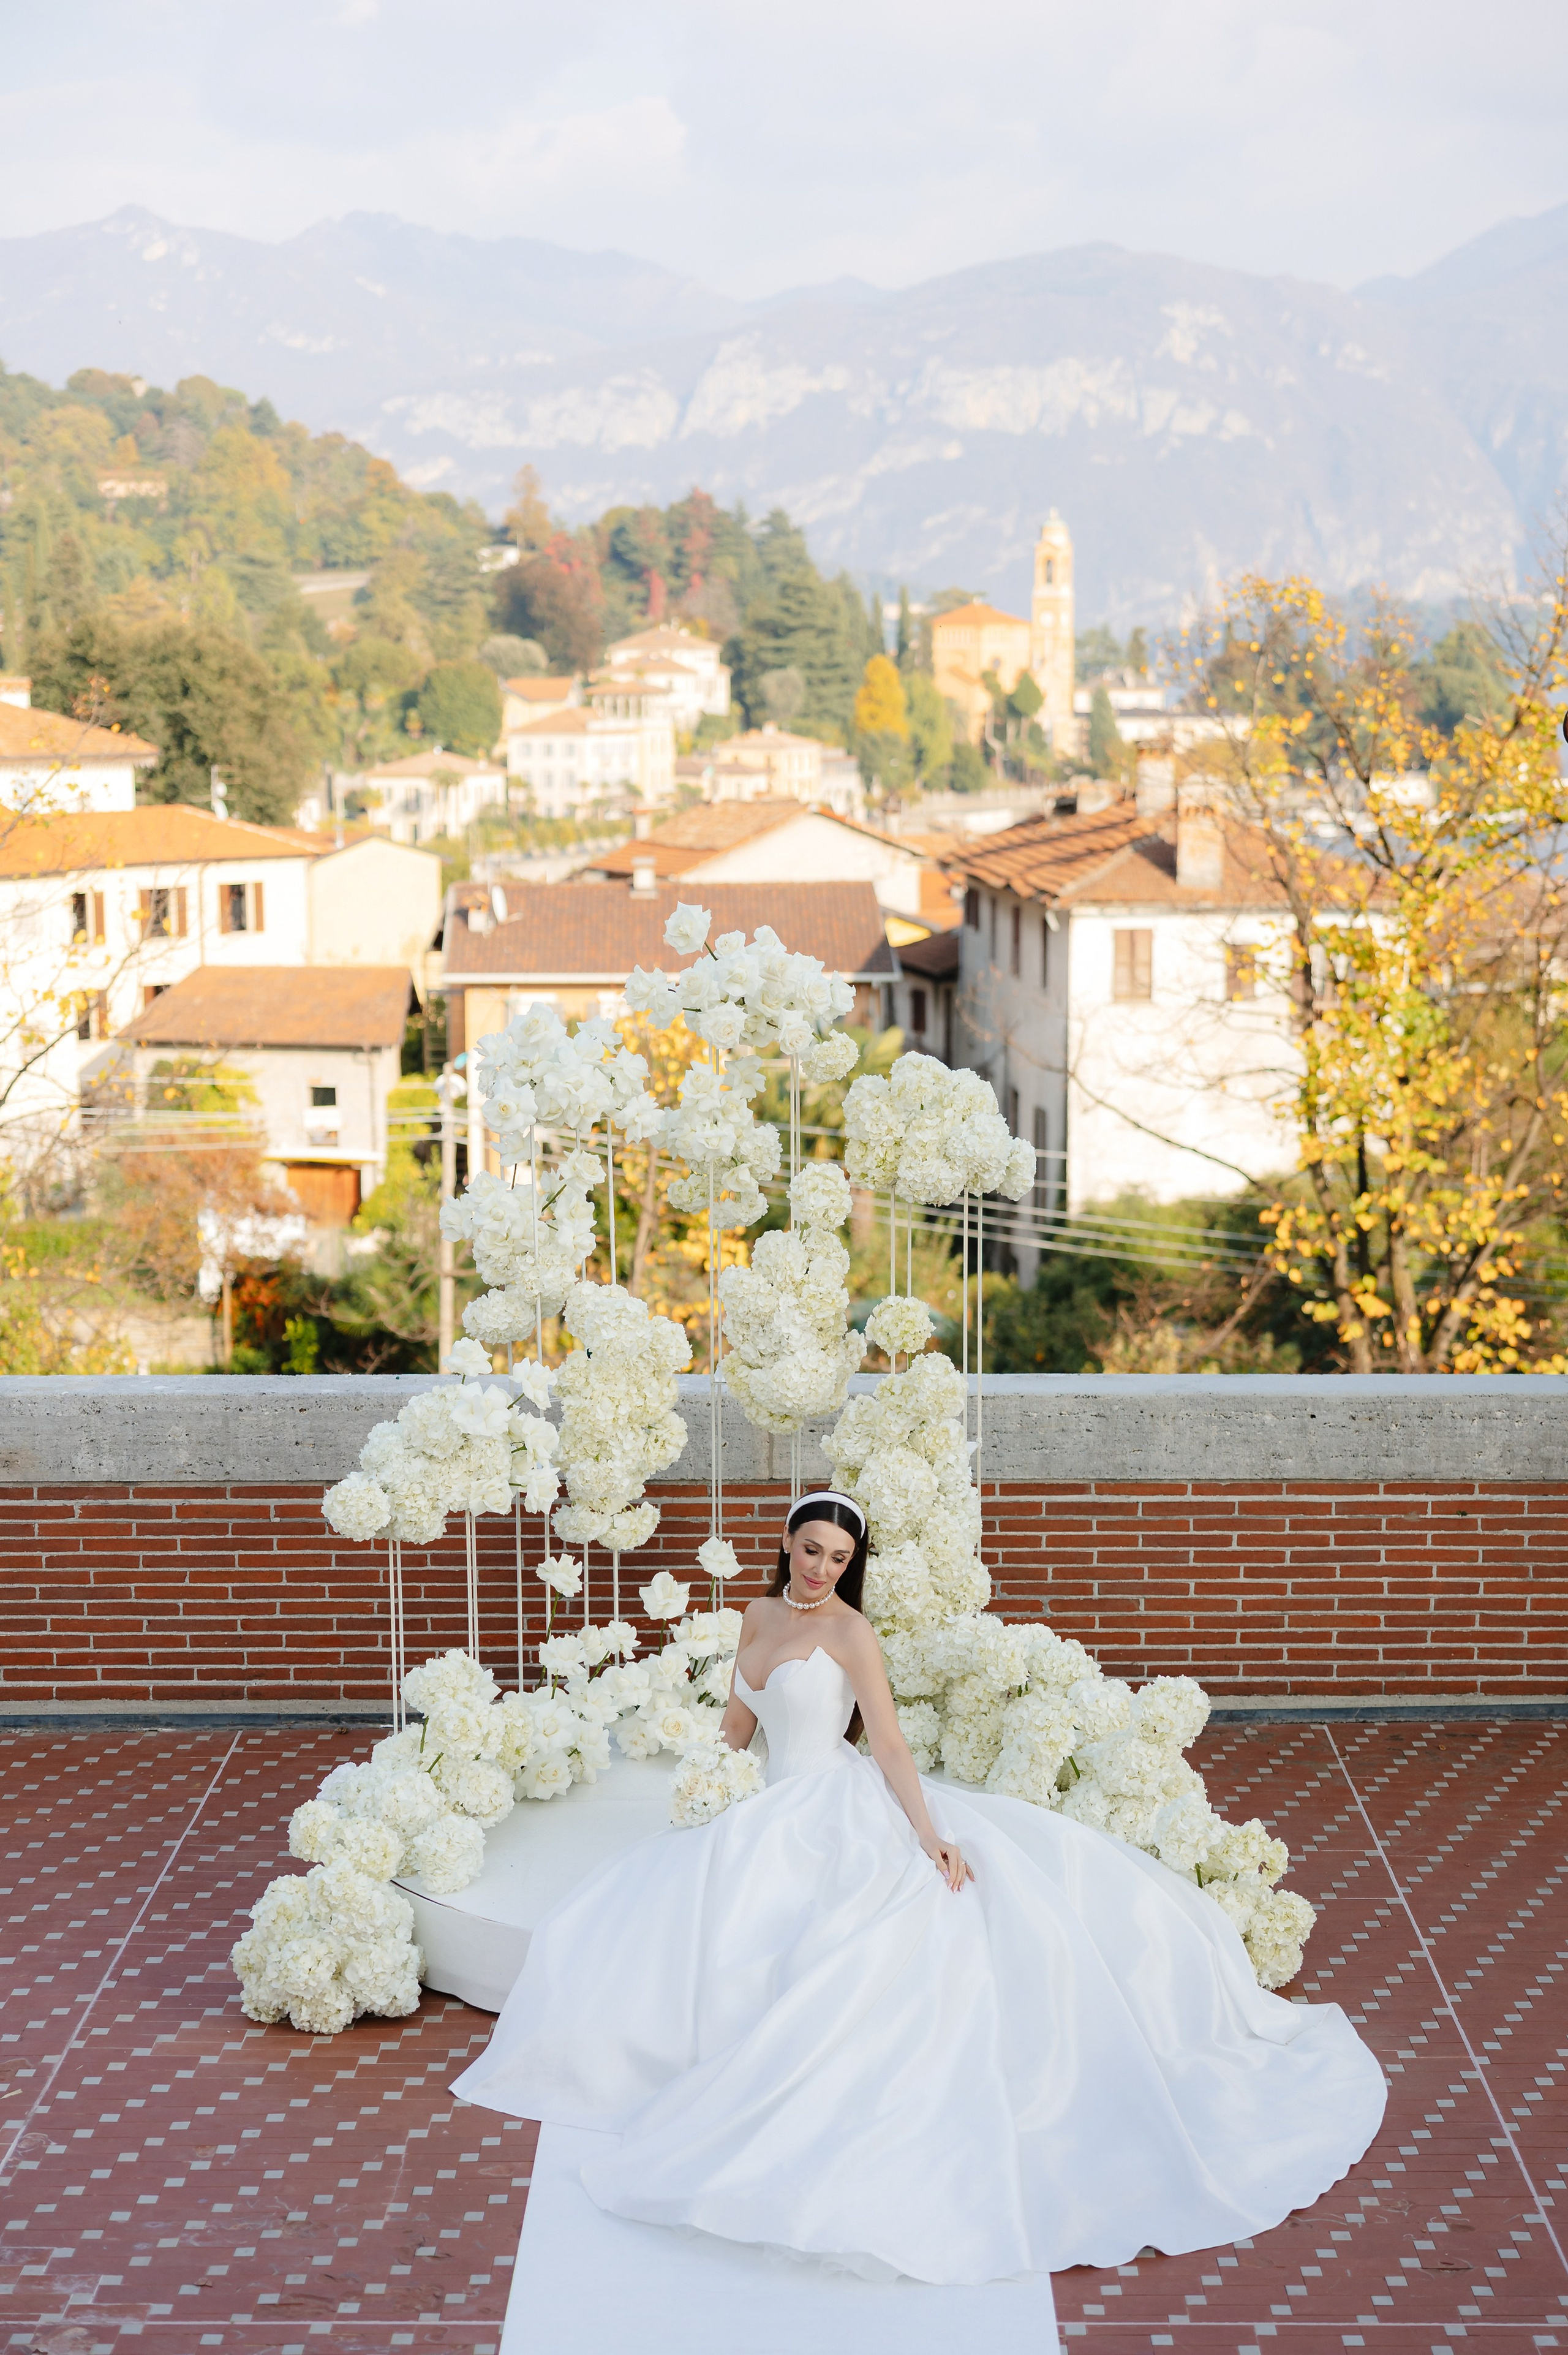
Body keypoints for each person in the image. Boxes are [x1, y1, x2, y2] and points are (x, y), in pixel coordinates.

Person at [453, 1492, 1385, 2286]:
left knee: (858, 1940)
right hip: (762, 1810)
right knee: (635, 1918)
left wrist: (931, 1835)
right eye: (810, 1551)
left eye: (839, 1558)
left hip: (835, 1807)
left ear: (852, 1566)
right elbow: (737, 1723)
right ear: (787, 1546)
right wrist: (706, 1793)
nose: (820, 1569)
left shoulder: (853, 1633)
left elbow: (888, 1744)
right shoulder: (755, 1617)